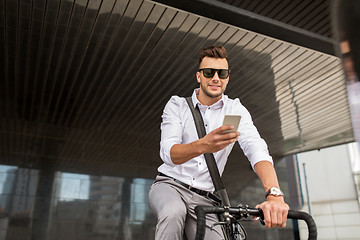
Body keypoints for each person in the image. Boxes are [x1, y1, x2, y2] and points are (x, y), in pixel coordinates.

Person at [148, 45, 289, 239]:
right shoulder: (177, 105)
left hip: (206, 199)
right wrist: (204, 145)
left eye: (222, 73)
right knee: (173, 212)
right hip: (170, 186)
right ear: (199, 76)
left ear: (227, 78)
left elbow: (256, 148)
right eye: (209, 72)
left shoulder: (234, 110)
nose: (216, 78)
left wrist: (274, 194)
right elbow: (168, 153)